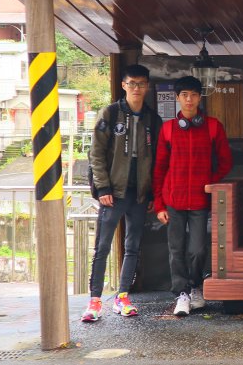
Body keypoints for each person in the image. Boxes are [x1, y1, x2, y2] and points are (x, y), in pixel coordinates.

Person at [81, 64, 162, 322]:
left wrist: (151, 194)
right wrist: (102, 187)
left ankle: (123, 296)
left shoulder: (152, 118)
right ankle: (94, 301)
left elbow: (157, 158)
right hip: (113, 192)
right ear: (123, 85)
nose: (137, 88)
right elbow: (96, 154)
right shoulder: (111, 113)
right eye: (132, 83)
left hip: (139, 193)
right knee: (102, 246)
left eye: (141, 84)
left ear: (147, 86)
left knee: (133, 246)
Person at [152, 75, 232, 317]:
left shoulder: (212, 126)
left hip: (199, 200)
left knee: (197, 249)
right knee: (176, 249)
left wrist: (211, 182)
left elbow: (226, 161)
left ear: (200, 98)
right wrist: (159, 203)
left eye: (194, 95)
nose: (189, 99)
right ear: (177, 98)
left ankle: (195, 286)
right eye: (184, 95)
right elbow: (159, 168)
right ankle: (181, 293)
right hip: (173, 200)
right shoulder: (167, 129)